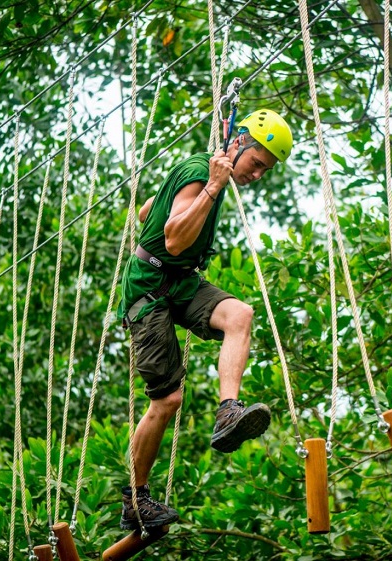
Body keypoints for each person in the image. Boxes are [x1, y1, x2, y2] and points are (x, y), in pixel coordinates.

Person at [115, 109, 293, 530]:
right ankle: (135, 500)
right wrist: (211, 186)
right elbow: (175, 240)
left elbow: (147, 215)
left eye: (265, 170)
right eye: (256, 164)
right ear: (239, 142)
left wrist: (172, 202)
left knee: (239, 314)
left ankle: (228, 410)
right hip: (149, 288)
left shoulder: (202, 173)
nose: (257, 175)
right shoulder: (205, 174)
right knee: (168, 400)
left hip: (177, 282)